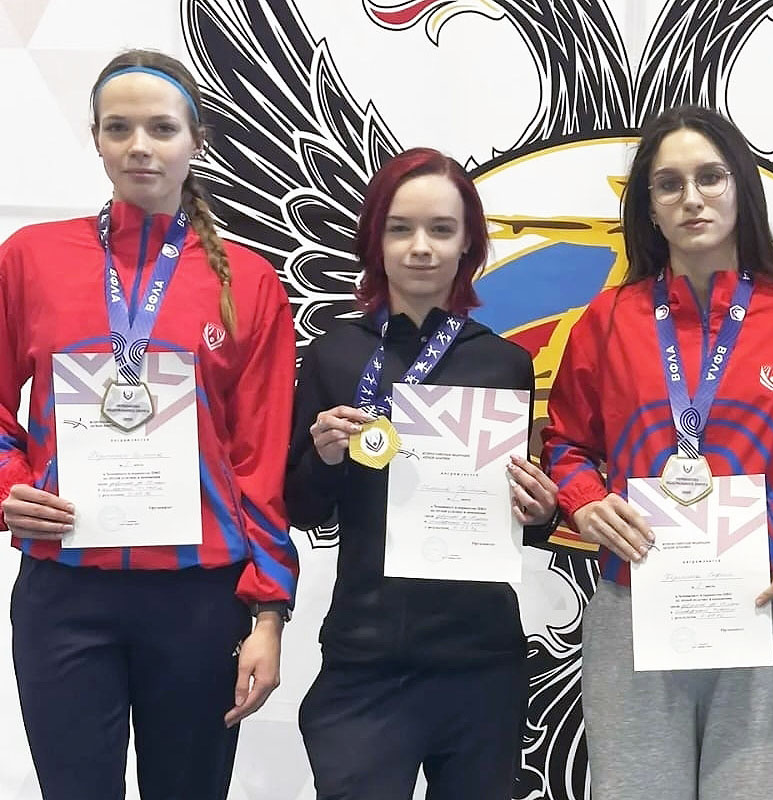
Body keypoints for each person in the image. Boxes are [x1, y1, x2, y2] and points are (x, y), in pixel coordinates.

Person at [0, 50, 298, 800]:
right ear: (96, 139)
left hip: (199, 599)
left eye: (162, 128)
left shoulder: (248, 280)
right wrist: (8, 486)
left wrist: (268, 611)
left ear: (196, 140)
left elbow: (260, 459)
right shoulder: (30, 258)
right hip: (65, 592)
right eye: (119, 128)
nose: (140, 146)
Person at [540, 105, 773, 800]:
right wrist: (585, 504)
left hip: (768, 611)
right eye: (669, 184)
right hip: (636, 608)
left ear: (741, 188)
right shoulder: (608, 320)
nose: (692, 198)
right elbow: (564, 444)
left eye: (710, 177)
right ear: (649, 208)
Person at [286, 147, 559, 800]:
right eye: (400, 228)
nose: (420, 247)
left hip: (480, 663)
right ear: (374, 239)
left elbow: (518, 525)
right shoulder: (333, 354)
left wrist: (541, 511)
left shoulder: (504, 364)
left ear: (468, 243)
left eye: (441, 229)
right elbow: (301, 509)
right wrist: (324, 456)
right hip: (364, 659)